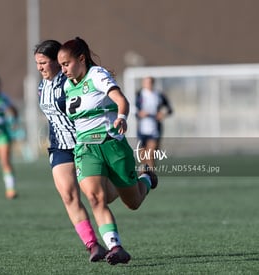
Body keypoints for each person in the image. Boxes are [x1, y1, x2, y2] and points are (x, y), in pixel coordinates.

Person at [57, 37, 158, 265]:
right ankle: (116, 247)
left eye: (66, 64)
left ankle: (147, 179)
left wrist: (121, 118)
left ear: (81, 59)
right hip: (86, 149)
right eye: (61, 65)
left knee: (132, 202)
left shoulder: (97, 75)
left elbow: (121, 100)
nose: (62, 70)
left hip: (112, 145)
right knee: (94, 198)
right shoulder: (66, 85)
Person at [34, 40, 119, 262]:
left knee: (105, 197)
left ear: (58, 62)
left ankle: (130, 181)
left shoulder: (71, 81)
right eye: (37, 63)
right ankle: (93, 245)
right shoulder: (42, 85)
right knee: (68, 195)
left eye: (43, 63)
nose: (40, 68)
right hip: (59, 147)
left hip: (86, 145)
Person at [136, 76, 173, 169]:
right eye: (146, 82)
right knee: (142, 157)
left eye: (150, 82)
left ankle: (151, 177)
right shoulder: (139, 94)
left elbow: (169, 109)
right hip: (142, 129)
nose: (148, 84)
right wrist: (139, 113)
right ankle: (143, 176)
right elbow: (133, 109)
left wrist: (162, 114)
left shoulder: (159, 95)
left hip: (154, 129)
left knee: (151, 155)